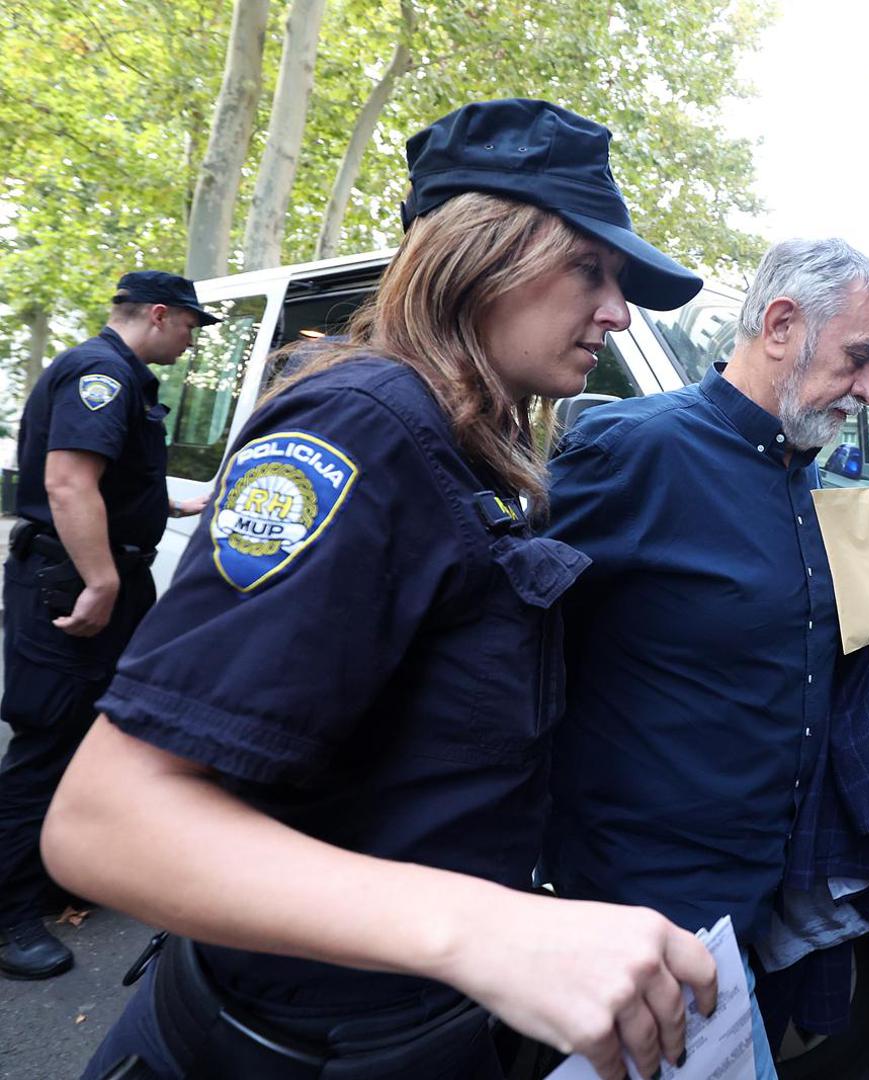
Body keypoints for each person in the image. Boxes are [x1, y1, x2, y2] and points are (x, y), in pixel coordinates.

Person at [43, 99, 717, 1080]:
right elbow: (107, 823)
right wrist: (489, 932)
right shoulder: (364, 427)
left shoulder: (468, 445)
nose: (617, 311)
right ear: (478, 257)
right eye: (589, 270)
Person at [543, 238, 869, 1078]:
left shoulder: (809, 484)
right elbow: (507, 652)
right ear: (781, 324)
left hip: (765, 898)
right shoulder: (631, 452)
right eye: (859, 358)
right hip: (644, 910)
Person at [0, 272, 216, 980]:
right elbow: (67, 482)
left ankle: (47, 874)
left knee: (84, 734)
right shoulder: (101, 373)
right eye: (190, 325)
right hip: (70, 578)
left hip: (96, 570)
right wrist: (100, 580)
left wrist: (171, 507)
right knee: (48, 738)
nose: (191, 340)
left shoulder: (119, 375)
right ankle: (6, 915)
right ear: (158, 314)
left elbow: (110, 479)